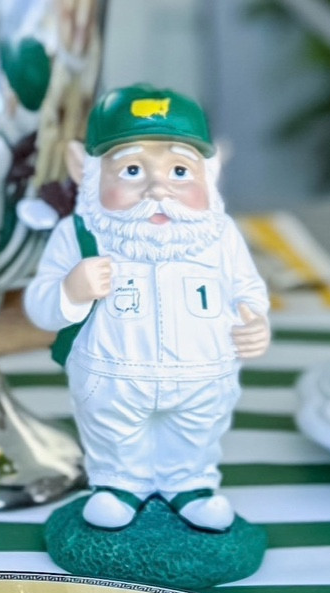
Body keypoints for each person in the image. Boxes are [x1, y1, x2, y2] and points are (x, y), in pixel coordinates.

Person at [24, 85, 270, 534]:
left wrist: (254, 319)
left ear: (210, 173)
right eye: (132, 169)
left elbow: (247, 289)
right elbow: (40, 307)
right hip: (112, 372)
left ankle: (190, 484)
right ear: (86, 172)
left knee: (196, 429)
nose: (158, 189)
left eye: (180, 170)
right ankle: (120, 484)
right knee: (113, 431)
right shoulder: (77, 235)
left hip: (203, 372)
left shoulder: (220, 236)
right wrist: (71, 290)